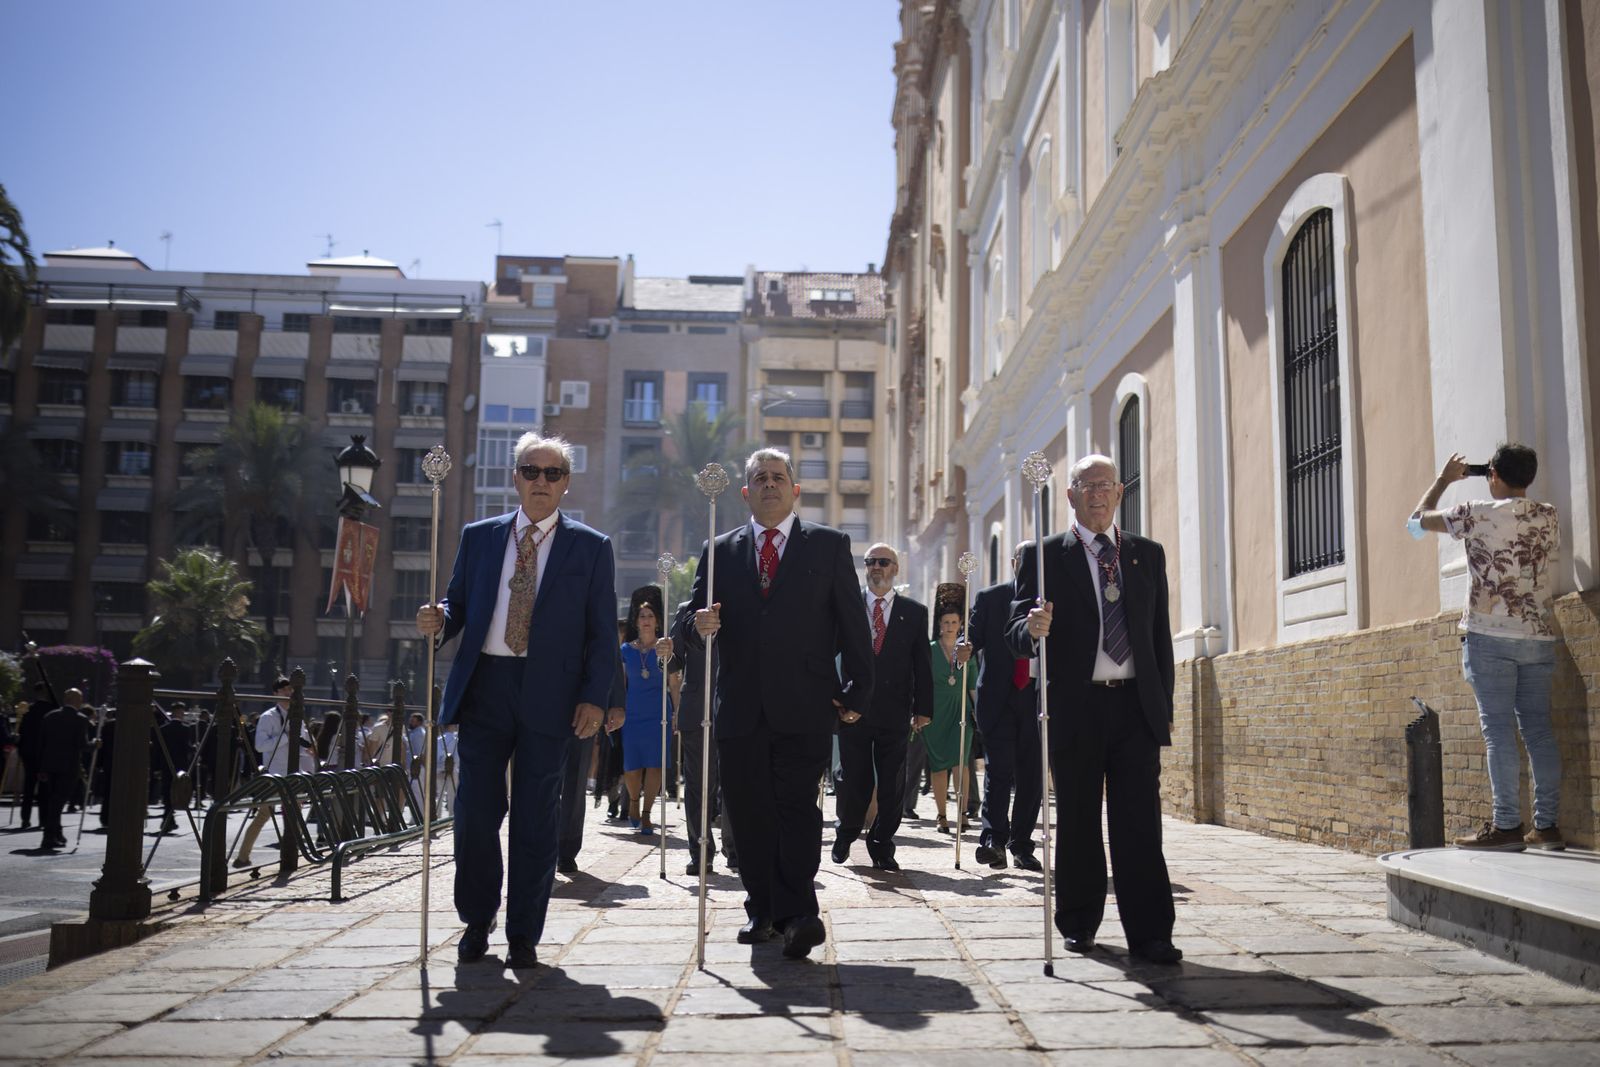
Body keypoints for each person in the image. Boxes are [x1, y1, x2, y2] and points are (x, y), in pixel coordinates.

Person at [416, 432, 616, 970]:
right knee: (475, 814)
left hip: (552, 694)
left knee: (536, 817)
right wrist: (438, 619)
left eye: (553, 474)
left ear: (567, 484)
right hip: (486, 686)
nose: (541, 482)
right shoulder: (480, 538)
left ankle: (524, 932)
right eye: (532, 471)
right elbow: (456, 604)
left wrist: (595, 698)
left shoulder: (591, 547)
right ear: (516, 479)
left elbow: (601, 632)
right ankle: (476, 921)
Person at [687, 447, 874, 960]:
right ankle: (762, 908)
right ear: (746, 492)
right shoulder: (720, 550)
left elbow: (853, 622)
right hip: (741, 705)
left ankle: (799, 915)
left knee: (796, 809)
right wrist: (697, 625)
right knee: (748, 814)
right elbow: (689, 620)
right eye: (759, 478)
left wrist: (859, 689)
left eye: (779, 477)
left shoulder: (829, 545)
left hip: (805, 702)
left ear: (796, 489)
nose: (770, 484)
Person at [1011, 453, 1181, 965]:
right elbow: (1015, 633)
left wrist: (1162, 708)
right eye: (1086, 486)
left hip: (1134, 709)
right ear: (1070, 496)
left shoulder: (1146, 555)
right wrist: (1032, 628)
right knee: (1080, 820)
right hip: (1077, 706)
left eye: (1106, 484)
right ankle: (1079, 922)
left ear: (1120, 493)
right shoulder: (1043, 556)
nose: (1097, 494)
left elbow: (1158, 640)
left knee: (1139, 825)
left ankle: (1151, 933)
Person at [1409, 445, 1564, 850]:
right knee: (1539, 733)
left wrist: (1444, 480)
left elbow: (1414, 524)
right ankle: (1546, 827)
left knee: (1498, 732)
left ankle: (1507, 826)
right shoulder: (1548, 514)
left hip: (1489, 636)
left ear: (1492, 473)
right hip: (1538, 635)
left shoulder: (1475, 512)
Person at [832, 544, 931, 872]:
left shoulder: (914, 613)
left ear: (896, 569)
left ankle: (882, 843)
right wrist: (835, 696)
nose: (876, 567)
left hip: (895, 711)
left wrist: (923, 708)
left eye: (883, 562)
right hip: (853, 710)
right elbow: (824, 650)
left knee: (892, 782)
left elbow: (922, 664)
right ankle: (846, 831)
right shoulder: (848, 607)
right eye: (870, 562)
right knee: (853, 779)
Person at [969, 542, 1043, 871]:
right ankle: (993, 839)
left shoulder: (1050, 601)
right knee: (998, 771)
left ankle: (1022, 845)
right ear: (1014, 563)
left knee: (1031, 777)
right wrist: (963, 647)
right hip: (998, 699)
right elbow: (971, 638)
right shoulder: (990, 598)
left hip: (1038, 698)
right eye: (1024, 561)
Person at [671, 599, 739, 876]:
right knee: (699, 785)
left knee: (736, 783)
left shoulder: (742, 601)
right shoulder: (687, 608)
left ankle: (735, 849)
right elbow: (673, 659)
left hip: (736, 705)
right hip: (696, 706)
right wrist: (664, 654)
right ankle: (700, 851)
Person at [232, 677, 315, 868]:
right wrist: (285, 736)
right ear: (275, 694)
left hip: (294, 774)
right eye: (284, 690)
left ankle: (291, 855)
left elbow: (301, 744)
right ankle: (243, 857)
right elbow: (260, 746)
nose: (288, 693)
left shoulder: (297, 716)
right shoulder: (268, 717)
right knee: (263, 815)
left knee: (294, 815)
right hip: (274, 776)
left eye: (290, 690)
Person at [557, 648, 624, 874]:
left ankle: (566, 849)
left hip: (585, 703)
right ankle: (540, 844)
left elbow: (607, 647)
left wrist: (616, 702)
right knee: (538, 778)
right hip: (538, 699)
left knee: (575, 778)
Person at [619, 587, 677, 836]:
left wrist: (677, 713)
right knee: (632, 766)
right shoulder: (625, 651)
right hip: (631, 713)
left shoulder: (666, 648)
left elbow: (674, 682)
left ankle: (646, 815)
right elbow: (620, 686)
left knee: (655, 765)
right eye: (642, 616)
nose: (646, 620)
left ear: (657, 621)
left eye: (650, 616)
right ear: (636, 621)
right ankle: (633, 801)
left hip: (658, 713)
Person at [924, 590, 977, 834]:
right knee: (938, 765)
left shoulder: (966, 650)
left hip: (960, 713)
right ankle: (942, 814)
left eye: (954, 622)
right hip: (935, 713)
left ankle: (962, 812)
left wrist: (980, 713)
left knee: (961, 763)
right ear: (939, 624)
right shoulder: (929, 649)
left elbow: (973, 686)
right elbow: (920, 682)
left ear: (960, 625)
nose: (949, 626)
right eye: (945, 622)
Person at [35, 688, 91, 850]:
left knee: (54, 800)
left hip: (50, 765)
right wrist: (95, 744)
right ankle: (49, 835)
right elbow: (82, 745)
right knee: (57, 803)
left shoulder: (50, 717)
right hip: (68, 766)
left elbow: (41, 744)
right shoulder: (80, 719)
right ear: (75, 700)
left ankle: (56, 833)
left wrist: (41, 767)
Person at [16, 683, 50, 830]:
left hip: (29, 754)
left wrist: (21, 751)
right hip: (44, 755)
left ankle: (25, 819)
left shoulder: (29, 711)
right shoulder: (50, 710)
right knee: (44, 789)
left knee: (28, 788)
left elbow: (21, 733)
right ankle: (43, 820)